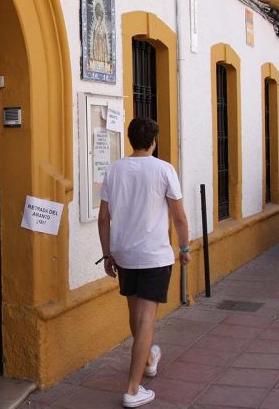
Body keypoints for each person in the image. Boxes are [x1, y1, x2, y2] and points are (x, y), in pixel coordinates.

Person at [98, 117, 190, 408]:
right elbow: (179, 216)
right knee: (146, 319)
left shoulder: (114, 170)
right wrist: (185, 247)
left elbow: (104, 218)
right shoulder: (164, 169)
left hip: (124, 253)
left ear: (130, 139)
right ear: (154, 141)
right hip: (153, 255)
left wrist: (108, 254)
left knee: (135, 314)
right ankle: (132, 389)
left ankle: (148, 359)